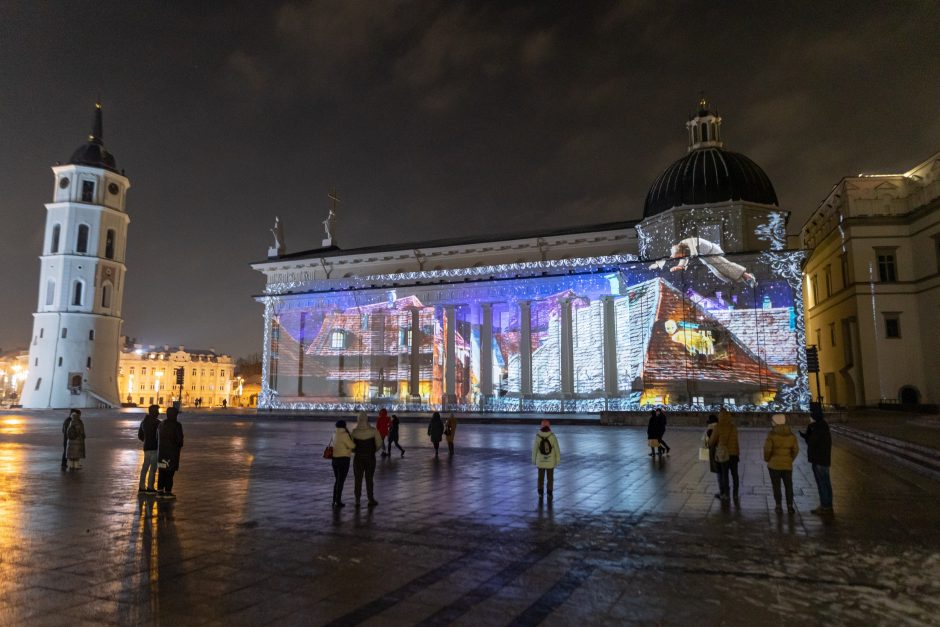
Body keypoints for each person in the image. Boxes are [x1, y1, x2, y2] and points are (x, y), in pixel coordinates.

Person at [649, 237, 757, 287]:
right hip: (706, 257)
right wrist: (680, 266)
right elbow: (684, 258)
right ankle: (744, 279)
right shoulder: (682, 248)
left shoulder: (687, 242)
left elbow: (692, 249)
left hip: (711, 252)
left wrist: (692, 253)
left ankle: (748, 277)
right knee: (719, 272)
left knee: (725, 267)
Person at [800, 407, 833, 515]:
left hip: (819, 460)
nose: (810, 418)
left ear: (815, 418)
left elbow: (812, 442)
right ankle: (827, 504)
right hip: (823, 459)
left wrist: (807, 435)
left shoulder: (818, 428)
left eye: (811, 416)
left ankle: (825, 506)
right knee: (826, 483)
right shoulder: (822, 426)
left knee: (822, 483)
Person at [763, 413, 799, 514]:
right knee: (789, 486)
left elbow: (767, 449)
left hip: (774, 465)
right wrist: (790, 459)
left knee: (776, 486)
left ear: (775, 423)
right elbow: (796, 450)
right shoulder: (791, 436)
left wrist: (767, 459)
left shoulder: (771, 435)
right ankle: (790, 506)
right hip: (787, 465)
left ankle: (778, 505)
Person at [709, 408, 740, 502]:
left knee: (724, 474)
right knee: (735, 475)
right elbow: (736, 441)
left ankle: (726, 494)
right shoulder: (733, 427)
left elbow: (712, 442)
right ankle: (735, 494)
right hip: (734, 453)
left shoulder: (718, 427)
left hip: (724, 454)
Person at [352, 411, 382, 507]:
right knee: (369, 479)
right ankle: (370, 499)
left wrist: (356, 451)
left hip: (358, 458)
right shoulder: (373, 431)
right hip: (370, 458)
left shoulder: (354, 432)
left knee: (358, 479)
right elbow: (379, 444)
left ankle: (357, 500)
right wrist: (373, 450)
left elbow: (352, 446)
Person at [157, 406, 184, 499]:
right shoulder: (177, 425)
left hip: (161, 454)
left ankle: (159, 491)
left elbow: (157, 438)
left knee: (162, 472)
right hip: (172, 454)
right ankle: (168, 492)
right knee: (169, 473)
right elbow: (179, 441)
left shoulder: (161, 424)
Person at [532, 419, 560, 501]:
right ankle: (549, 493)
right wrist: (558, 460)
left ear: (541, 426)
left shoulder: (538, 436)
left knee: (540, 478)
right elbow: (557, 449)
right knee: (550, 478)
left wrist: (533, 459)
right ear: (549, 426)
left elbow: (535, 449)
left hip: (540, 461)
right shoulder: (552, 436)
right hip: (550, 462)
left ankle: (540, 492)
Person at [331, 420, 355, 508]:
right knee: (341, 481)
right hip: (344, 460)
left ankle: (334, 500)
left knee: (337, 480)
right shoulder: (345, 435)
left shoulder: (334, 433)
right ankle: (338, 501)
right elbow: (352, 446)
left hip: (334, 460)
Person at [137, 405, 161, 493]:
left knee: (145, 467)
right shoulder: (158, 423)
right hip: (154, 448)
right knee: (153, 468)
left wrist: (146, 440)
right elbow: (160, 437)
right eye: (157, 411)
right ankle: (150, 487)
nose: (158, 413)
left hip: (146, 447)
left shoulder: (143, 422)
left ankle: (141, 486)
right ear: (153, 412)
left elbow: (140, 436)